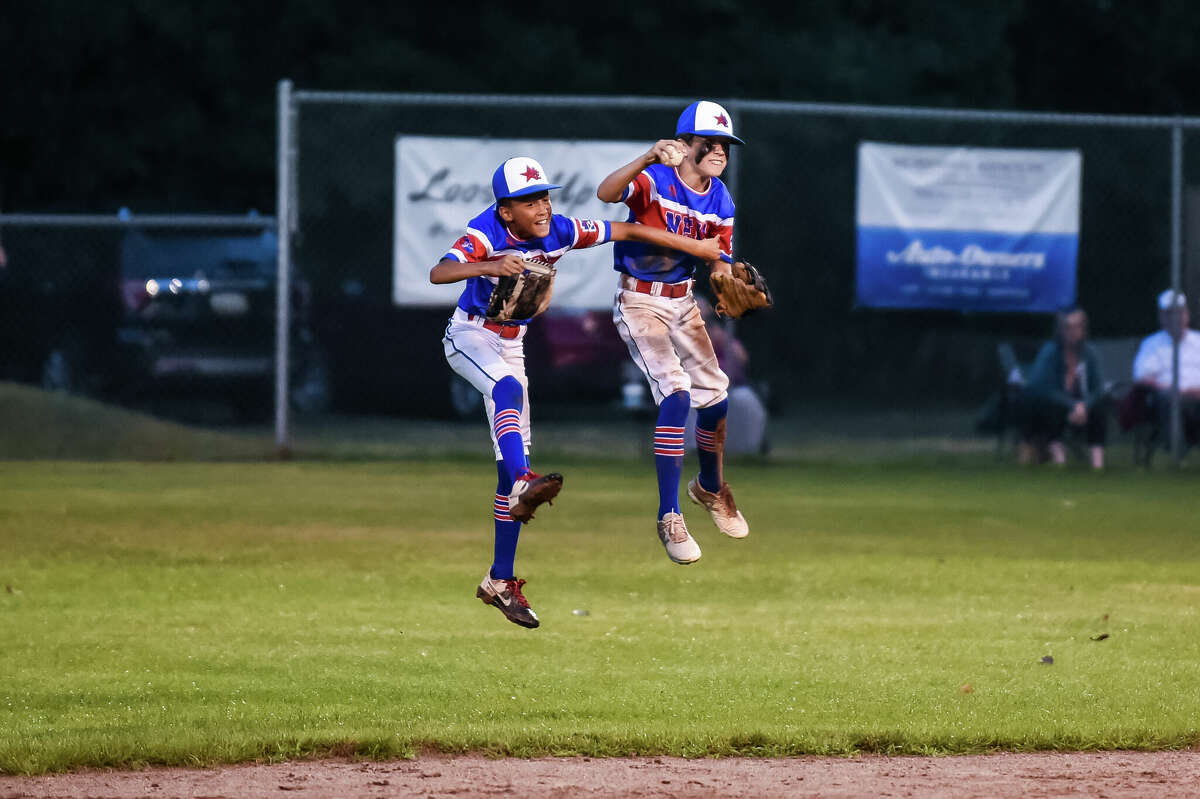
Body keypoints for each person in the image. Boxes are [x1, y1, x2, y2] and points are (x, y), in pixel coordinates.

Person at [432, 156, 721, 629]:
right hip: (468, 337)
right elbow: (439, 272)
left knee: (508, 475)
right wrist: (487, 263)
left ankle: (499, 581)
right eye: (529, 201)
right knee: (506, 395)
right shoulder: (486, 231)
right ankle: (526, 480)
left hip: (512, 345)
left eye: (544, 196)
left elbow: (626, 231)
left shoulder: (561, 230)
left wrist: (693, 246)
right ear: (506, 211)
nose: (541, 206)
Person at [595, 100, 750, 566]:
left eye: (725, 144)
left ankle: (709, 486)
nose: (720, 150)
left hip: (684, 301)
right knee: (676, 394)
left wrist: (726, 282)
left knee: (716, 397)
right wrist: (645, 156)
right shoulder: (657, 179)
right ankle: (669, 514)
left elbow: (719, 257)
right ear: (685, 145)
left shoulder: (720, 197)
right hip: (640, 301)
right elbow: (606, 193)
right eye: (711, 142)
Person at [1017, 306, 1108, 469]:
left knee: (1099, 408)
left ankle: (1097, 464)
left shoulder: (1089, 354)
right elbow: (1044, 388)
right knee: (1048, 406)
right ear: (1060, 329)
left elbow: (1098, 389)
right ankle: (1058, 459)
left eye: (1078, 326)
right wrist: (1072, 406)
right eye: (1068, 327)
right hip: (1057, 406)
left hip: (1081, 408)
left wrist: (1084, 406)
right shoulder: (1050, 353)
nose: (1073, 331)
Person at [1130, 289, 1200, 449]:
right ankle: (1177, 454)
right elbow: (1142, 378)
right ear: (1162, 317)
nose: (1175, 318)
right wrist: (1175, 390)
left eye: (1179, 312)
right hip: (1169, 397)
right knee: (1169, 399)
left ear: (1187, 314)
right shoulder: (1152, 344)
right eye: (1169, 314)